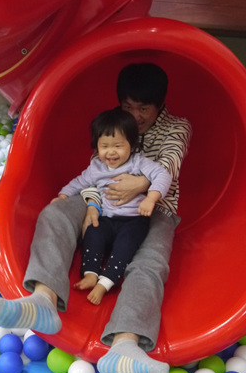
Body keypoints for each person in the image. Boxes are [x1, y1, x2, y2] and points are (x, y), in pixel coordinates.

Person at [0, 63, 192, 373]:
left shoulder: (177, 127)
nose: (135, 116)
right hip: (101, 197)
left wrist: (139, 185)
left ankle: (126, 343)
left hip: (154, 207)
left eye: (143, 109)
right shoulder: (113, 122)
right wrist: (84, 202)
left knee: (150, 260)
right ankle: (44, 299)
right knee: (55, 213)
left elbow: (169, 164)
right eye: (129, 107)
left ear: (160, 104)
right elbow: (94, 169)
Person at [55, 108, 172, 305]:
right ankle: (91, 273)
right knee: (93, 232)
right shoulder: (96, 168)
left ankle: (105, 282)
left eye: (118, 146)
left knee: (125, 247)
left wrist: (151, 198)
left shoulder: (138, 163)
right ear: (97, 146)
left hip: (133, 220)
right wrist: (63, 195)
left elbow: (163, 175)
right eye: (104, 146)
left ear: (131, 145)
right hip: (106, 218)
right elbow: (79, 182)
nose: (111, 152)